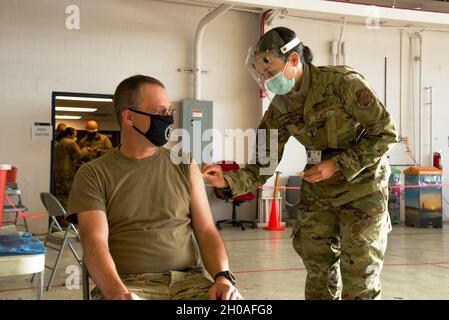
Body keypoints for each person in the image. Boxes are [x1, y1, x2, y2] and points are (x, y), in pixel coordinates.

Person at [202, 27, 398, 300]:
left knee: (360, 275)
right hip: (319, 193)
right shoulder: (280, 108)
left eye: (271, 73)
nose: (268, 81)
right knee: (318, 272)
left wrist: (338, 164)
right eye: (263, 75)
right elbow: (262, 164)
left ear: (294, 60)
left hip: (363, 189)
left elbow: (386, 133)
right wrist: (228, 180)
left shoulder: (342, 83)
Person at [66, 75, 242, 300]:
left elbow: (207, 231)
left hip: (189, 281)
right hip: (128, 285)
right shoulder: (93, 174)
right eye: (160, 112)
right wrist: (116, 292)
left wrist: (222, 277)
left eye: (170, 112)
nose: (167, 119)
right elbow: (94, 244)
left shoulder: (185, 164)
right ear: (129, 117)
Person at [54, 127, 90, 212]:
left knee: (59, 194)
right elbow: (80, 156)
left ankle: (58, 216)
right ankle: (64, 216)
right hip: (67, 172)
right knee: (66, 195)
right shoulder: (70, 142)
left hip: (57, 171)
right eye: (75, 135)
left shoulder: (60, 142)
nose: (75, 137)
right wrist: (86, 149)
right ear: (69, 135)